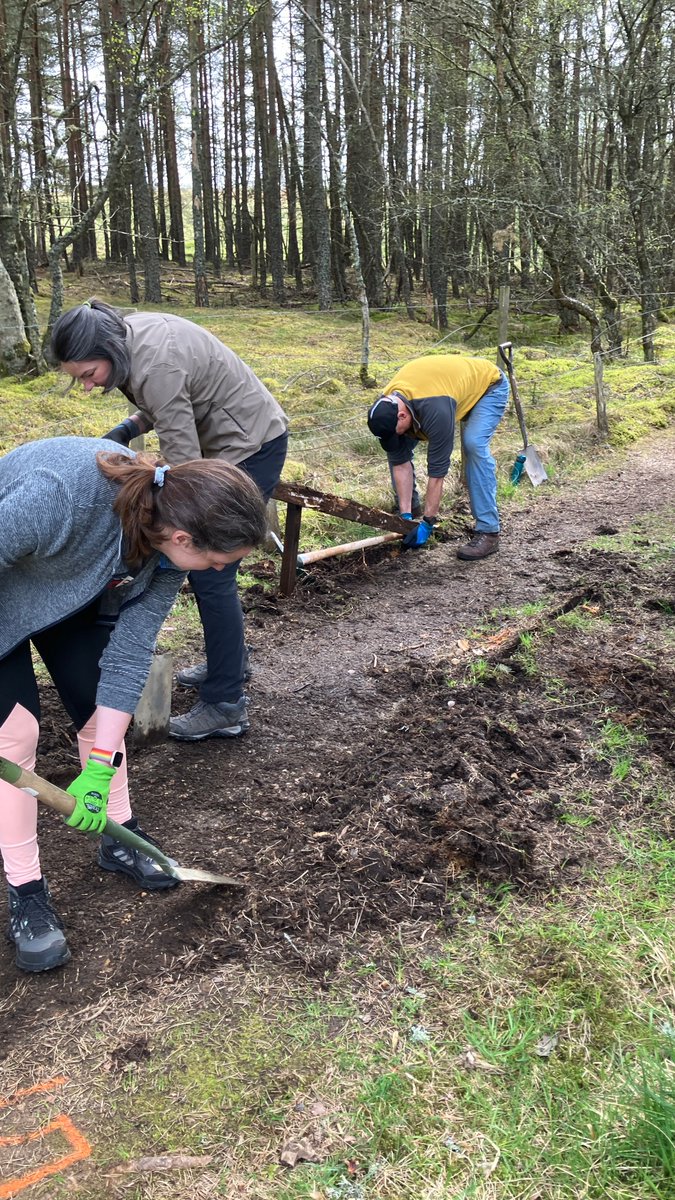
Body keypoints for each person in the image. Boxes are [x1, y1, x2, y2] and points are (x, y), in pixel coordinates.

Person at [0, 435, 268, 972]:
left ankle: (119, 838)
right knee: (17, 735)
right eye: (217, 561)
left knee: (101, 714)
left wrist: (98, 769)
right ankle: (25, 888)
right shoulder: (58, 495)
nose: (217, 571)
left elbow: (128, 658)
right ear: (184, 535)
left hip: (69, 591)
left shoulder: (169, 555)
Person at [51, 300, 289, 741]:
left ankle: (225, 701)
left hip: (248, 447)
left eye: (88, 374)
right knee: (202, 567)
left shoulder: (154, 359)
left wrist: (162, 523)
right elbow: (174, 400)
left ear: (108, 349)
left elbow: (183, 461)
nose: (86, 387)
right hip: (225, 440)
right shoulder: (130, 340)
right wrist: (128, 427)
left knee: (209, 568)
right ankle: (229, 661)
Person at [366, 354, 510, 560]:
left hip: (487, 387)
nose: (395, 436)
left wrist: (428, 522)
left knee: (474, 444)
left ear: (403, 415)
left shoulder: (436, 411)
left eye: (396, 430)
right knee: (399, 446)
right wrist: (405, 518)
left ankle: (489, 531)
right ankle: (410, 514)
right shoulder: (386, 407)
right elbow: (399, 462)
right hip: (444, 389)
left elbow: (437, 474)